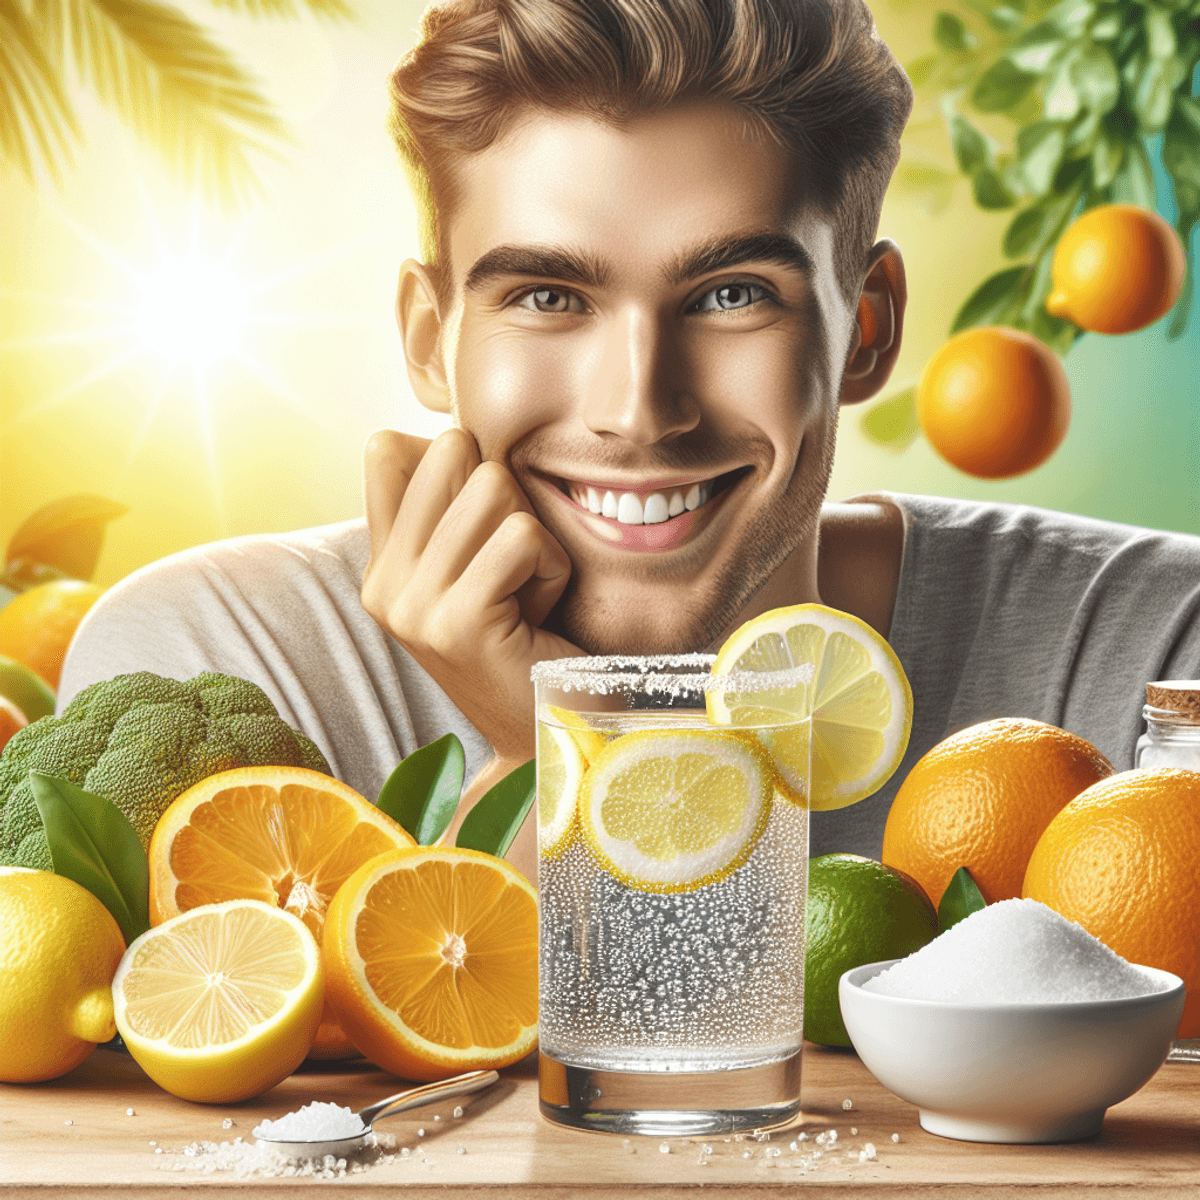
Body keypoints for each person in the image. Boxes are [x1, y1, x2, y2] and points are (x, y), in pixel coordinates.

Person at [59, 0, 1200, 882]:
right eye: (549, 298)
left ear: (866, 329)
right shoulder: (231, 668)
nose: (639, 410)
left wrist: (575, 732)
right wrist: (568, 752)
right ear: (428, 337)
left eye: (731, 295)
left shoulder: (1157, 661)